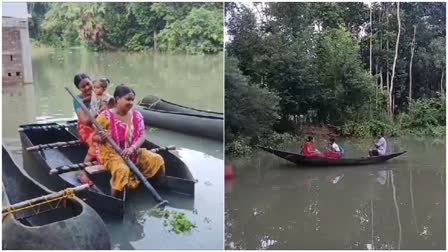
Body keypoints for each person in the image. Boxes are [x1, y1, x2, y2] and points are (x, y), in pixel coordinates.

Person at [94, 84, 165, 197]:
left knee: (157, 159)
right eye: (128, 99)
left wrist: (132, 148)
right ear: (117, 99)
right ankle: (114, 197)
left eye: (132, 100)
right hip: (112, 153)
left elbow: (142, 135)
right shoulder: (105, 116)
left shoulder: (137, 115)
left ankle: (158, 186)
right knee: (122, 170)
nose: (131, 102)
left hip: (132, 150)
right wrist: (101, 137)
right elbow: (94, 137)